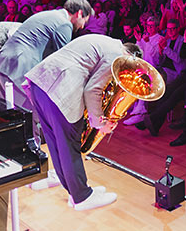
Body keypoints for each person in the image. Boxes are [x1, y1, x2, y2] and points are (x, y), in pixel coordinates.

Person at [23, 34, 128, 211]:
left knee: (57, 144)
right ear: (130, 57)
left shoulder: (103, 41)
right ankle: (82, 197)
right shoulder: (117, 54)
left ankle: (74, 192)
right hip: (60, 89)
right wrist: (100, 123)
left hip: (40, 83)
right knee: (70, 145)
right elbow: (93, 89)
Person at [0, 0, 92, 121]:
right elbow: (63, 61)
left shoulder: (49, 15)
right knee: (31, 118)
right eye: (84, 21)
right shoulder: (64, 23)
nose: (82, 27)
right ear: (79, 13)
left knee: (12, 118)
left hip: (1, 63)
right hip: (18, 67)